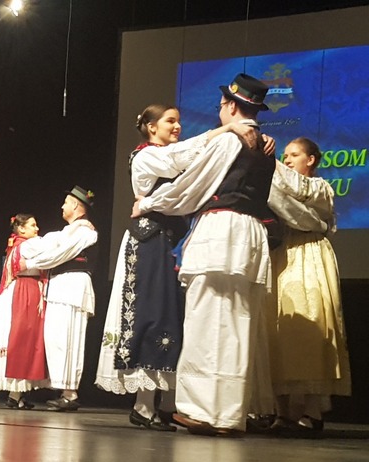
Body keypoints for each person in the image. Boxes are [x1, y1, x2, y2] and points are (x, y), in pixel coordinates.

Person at [96, 104, 269, 431]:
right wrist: (228, 129)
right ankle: (143, 405)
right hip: (149, 240)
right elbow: (178, 158)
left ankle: (162, 403)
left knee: (171, 316)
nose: (177, 126)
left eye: (179, 121)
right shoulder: (145, 156)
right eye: (170, 121)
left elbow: (195, 161)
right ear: (151, 127)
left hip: (172, 240)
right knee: (150, 314)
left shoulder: (178, 155)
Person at [132, 73, 277, 435]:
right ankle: (230, 414)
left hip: (221, 233)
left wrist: (147, 203)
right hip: (250, 236)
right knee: (238, 325)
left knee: (207, 320)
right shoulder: (265, 143)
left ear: (231, 106)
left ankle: (201, 411)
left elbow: (190, 187)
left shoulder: (229, 140)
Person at [266, 137, 351, 435]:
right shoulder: (278, 186)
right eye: (284, 156)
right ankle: (282, 411)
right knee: (278, 329)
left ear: (311, 159)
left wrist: (266, 160)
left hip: (309, 253)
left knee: (311, 327)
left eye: (294, 155)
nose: (287, 160)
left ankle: (311, 411)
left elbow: (296, 205)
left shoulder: (320, 187)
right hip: (281, 253)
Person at [21, 186, 98, 412]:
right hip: (61, 287)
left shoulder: (86, 233)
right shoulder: (67, 232)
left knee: (69, 340)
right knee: (56, 339)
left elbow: (58, 254)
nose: (62, 206)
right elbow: (45, 244)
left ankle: (70, 393)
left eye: (66, 202)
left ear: (75, 205)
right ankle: (63, 390)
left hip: (73, 287)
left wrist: (31, 264)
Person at [0, 213, 48, 408]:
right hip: (24, 291)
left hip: (21, 290)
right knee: (22, 338)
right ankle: (15, 393)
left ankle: (16, 394)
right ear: (21, 229)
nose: (37, 229)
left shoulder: (17, 244)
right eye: (33, 225)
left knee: (22, 338)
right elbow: (50, 250)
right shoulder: (27, 245)